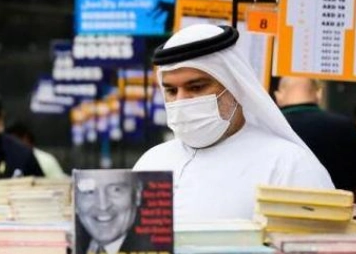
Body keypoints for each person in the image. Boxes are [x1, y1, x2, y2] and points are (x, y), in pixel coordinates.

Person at [134, 24, 333, 220]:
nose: (181, 100)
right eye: (171, 90)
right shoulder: (151, 162)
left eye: (196, 87)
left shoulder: (288, 165)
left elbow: (315, 248)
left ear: (234, 85)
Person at [275, 76, 356, 216]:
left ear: (278, 96)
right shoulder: (346, 127)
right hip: (338, 221)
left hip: (281, 220)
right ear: (319, 93)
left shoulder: (270, 128)